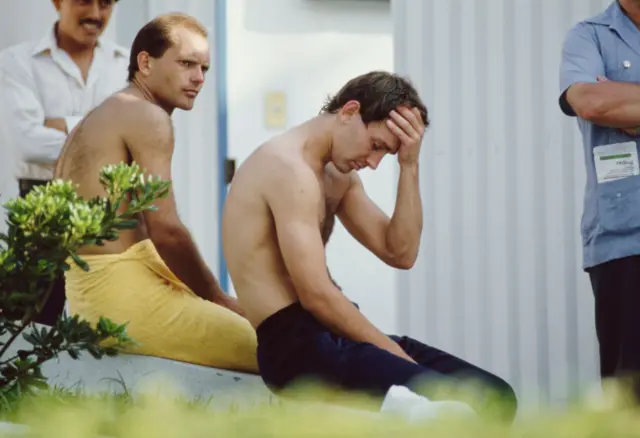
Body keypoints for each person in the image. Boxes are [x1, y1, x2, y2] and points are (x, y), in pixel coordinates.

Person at [221, 71, 518, 422]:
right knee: (453, 407)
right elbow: (315, 293)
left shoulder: (337, 177)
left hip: (334, 336)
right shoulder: (288, 169)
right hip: (295, 349)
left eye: (387, 154)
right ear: (349, 111)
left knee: (497, 398)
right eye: (377, 146)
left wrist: (409, 165)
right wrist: (397, 357)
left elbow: (401, 253)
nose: (375, 163)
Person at [53, 13, 258, 373]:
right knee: (282, 350)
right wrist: (217, 296)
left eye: (204, 68)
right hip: (124, 302)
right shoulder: (147, 116)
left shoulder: (98, 116)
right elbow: (166, 229)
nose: (198, 78)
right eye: (185, 63)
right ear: (145, 62)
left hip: (88, 301)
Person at [0, 0, 128, 326]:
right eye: (85, 1)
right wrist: (104, 132)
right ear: (57, 1)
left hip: (109, 210)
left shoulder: (126, 65)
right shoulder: (16, 63)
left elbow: (136, 141)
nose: (96, 14)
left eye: (106, 3)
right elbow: (28, 144)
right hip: (40, 208)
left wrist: (61, 124)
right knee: (29, 332)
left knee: (106, 331)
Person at [559, 0, 640, 403]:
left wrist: (629, 106)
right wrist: (610, 103)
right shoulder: (588, 35)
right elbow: (593, 103)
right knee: (627, 392)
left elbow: (613, 103)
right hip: (623, 239)